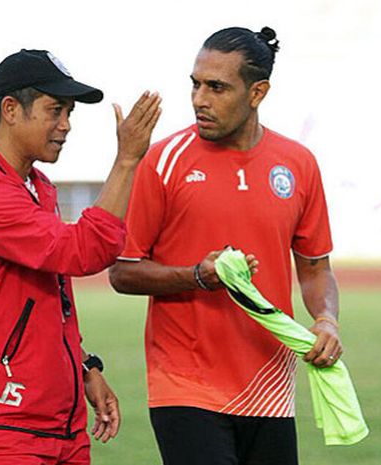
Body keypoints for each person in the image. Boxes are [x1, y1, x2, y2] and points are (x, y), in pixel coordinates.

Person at [108, 27, 342, 465]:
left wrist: (326, 319)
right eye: (195, 84)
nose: (199, 99)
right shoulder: (163, 160)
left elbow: (314, 269)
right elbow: (122, 271)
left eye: (216, 87)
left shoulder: (298, 164)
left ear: (258, 92)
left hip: (270, 385)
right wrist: (198, 276)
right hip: (185, 385)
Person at [0, 49, 161, 464]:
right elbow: (84, 251)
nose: (66, 125)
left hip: (56, 424)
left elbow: (43, 299)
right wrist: (128, 159)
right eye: (55, 110)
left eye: (69, 112)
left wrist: (83, 367)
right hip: (0, 424)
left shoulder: (36, 186)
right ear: (10, 110)